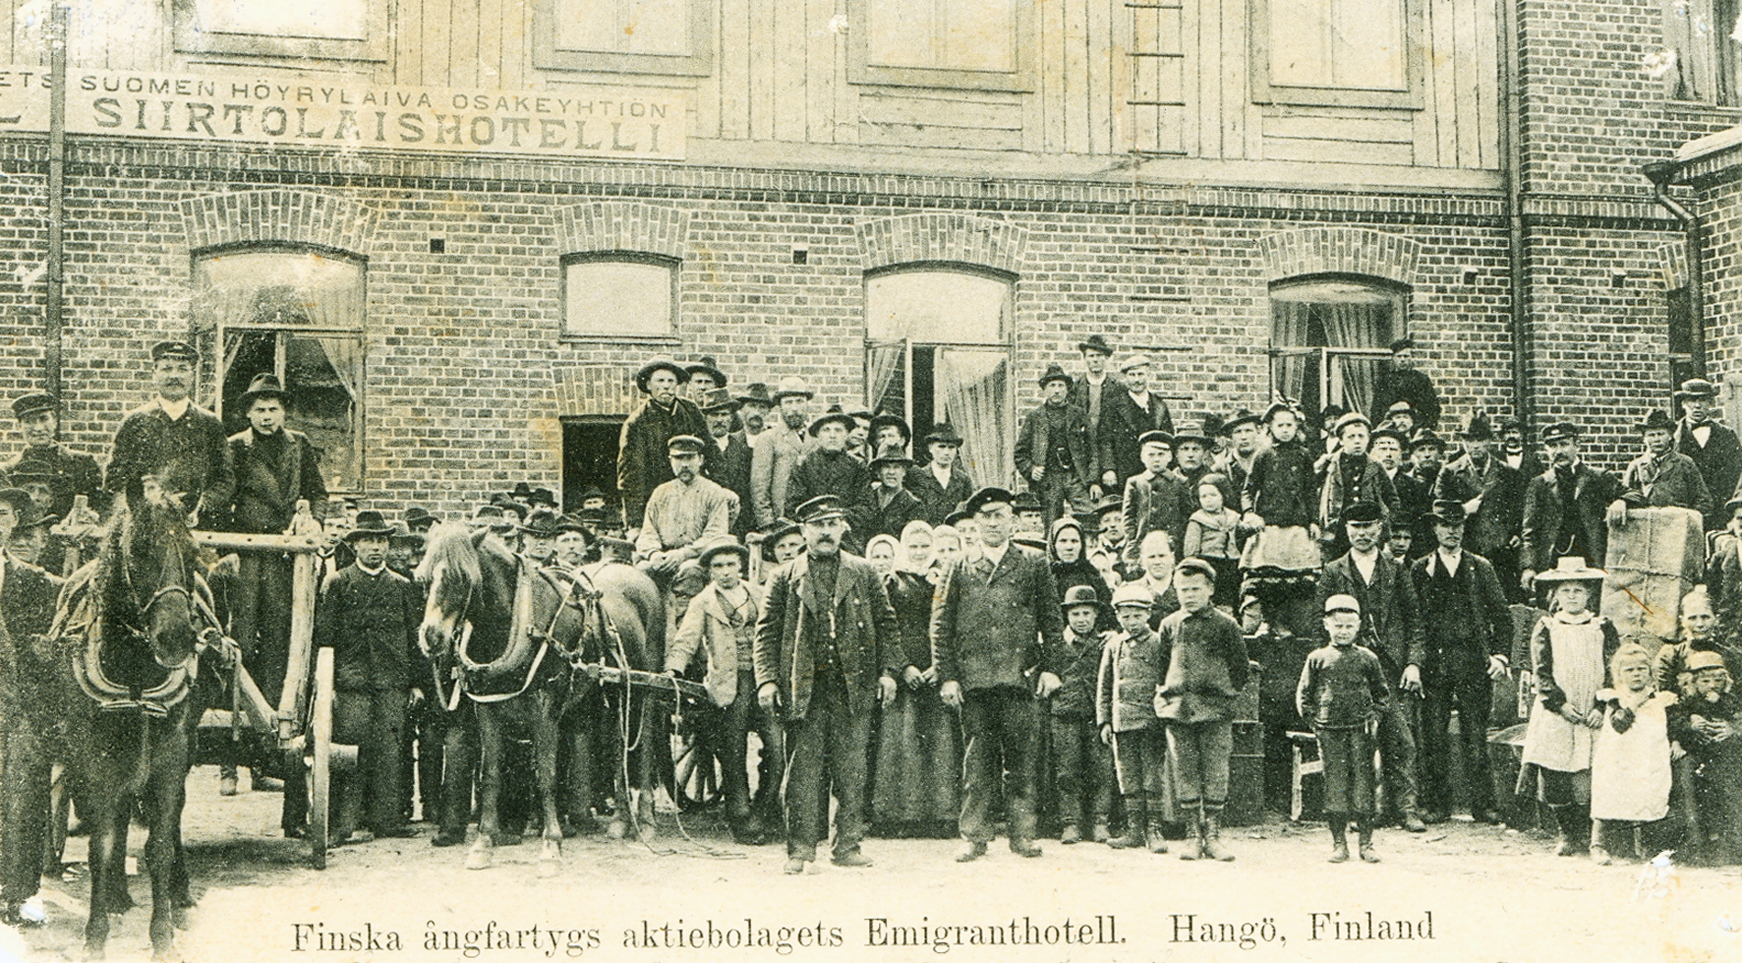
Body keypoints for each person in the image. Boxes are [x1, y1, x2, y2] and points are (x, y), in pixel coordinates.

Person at [754, 495, 899, 873]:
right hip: (804, 689)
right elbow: (766, 634)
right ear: (804, 531)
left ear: (842, 529)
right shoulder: (784, 576)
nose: (826, 532)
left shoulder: (863, 571)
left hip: (853, 686)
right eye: (818, 525)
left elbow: (887, 625)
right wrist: (767, 680)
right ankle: (800, 851)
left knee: (852, 770)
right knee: (802, 773)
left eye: (833, 524)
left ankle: (847, 846)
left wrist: (888, 672)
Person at [931, 486, 1065, 862]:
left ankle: (1023, 835)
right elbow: (940, 625)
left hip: (1019, 679)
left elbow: (1051, 622)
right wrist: (948, 676)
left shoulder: (1034, 563)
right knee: (977, 762)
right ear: (974, 522)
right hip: (974, 683)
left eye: (1000, 515)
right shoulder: (956, 565)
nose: (993, 522)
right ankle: (974, 836)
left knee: (1022, 762)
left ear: (1013, 520)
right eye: (986, 516)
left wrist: (1052, 669)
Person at [224, 372, 328, 804]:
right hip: (249, 556)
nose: (268, 417)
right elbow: (222, 498)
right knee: (242, 641)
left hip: (287, 560)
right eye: (260, 410)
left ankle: (269, 756)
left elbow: (318, 493)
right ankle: (231, 757)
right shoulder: (234, 447)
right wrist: (226, 545)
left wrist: (314, 518)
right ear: (248, 413)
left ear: (284, 412)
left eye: (274, 409)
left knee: (285, 644)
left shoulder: (299, 445)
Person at [1316, 502, 1427, 832]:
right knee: (1358, 742)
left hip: (1390, 668)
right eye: (1355, 528)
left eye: (1369, 528)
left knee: (1401, 738)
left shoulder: (1396, 568)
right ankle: (1363, 811)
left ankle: (1407, 808)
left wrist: (1413, 663)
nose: (1362, 534)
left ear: (1380, 529)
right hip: (1350, 669)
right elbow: (1316, 624)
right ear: (1347, 531)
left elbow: (1415, 621)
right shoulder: (1334, 570)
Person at [314, 510, 422, 844]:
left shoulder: (403, 586)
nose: (375, 547)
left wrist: (416, 683)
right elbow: (326, 638)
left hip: (392, 681)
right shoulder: (339, 583)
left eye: (381, 541)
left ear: (389, 546)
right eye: (368, 541)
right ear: (356, 546)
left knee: (390, 750)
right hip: (352, 682)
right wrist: (327, 685)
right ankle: (343, 824)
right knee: (349, 753)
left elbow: (414, 639)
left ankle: (386, 820)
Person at [666, 538, 781, 845]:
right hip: (729, 685)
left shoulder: (758, 593)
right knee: (733, 753)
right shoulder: (703, 602)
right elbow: (686, 640)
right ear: (710, 571)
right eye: (718, 566)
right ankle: (742, 820)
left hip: (764, 679)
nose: (725, 572)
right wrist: (674, 668)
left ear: (741, 565)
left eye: (730, 564)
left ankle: (765, 809)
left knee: (776, 749)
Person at [1410, 500, 1512, 823]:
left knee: (1475, 734)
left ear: (1464, 528)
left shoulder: (1480, 567)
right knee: (1433, 736)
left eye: (1457, 525)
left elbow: (1503, 618)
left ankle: (1484, 805)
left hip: (1472, 662)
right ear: (1434, 529)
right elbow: (1412, 619)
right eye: (1444, 525)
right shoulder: (1419, 569)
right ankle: (1437, 804)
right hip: (1435, 665)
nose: (1451, 531)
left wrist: (1500, 655)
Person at [1517, 557, 1619, 857]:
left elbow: (1613, 667)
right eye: (1566, 590)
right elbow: (1542, 671)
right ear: (1556, 595)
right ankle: (1566, 833)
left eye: (1578, 590)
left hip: (1592, 711)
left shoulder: (1602, 625)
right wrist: (1559, 705)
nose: (1572, 596)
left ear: (1589, 594)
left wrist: (1602, 705)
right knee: (1556, 771)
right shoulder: (1547, 626)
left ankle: (1592, 835)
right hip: (1558, 712)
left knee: (1589, 772)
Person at [869, 523, 961, 838]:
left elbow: (951, 624)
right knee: (901, 743)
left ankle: (942, 816)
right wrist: (903, 666)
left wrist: (940, 665)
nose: (920, 552)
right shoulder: (892, 581)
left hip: (935, 670)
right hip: (904, 671)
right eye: (915, 547)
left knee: (940, 743)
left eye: (925, 546)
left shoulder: (945, 578)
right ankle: (899, 817)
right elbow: (886, 628)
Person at [1155, 557, 1249, 861]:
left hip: (1215, 711)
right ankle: (1193, 836)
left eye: (1195, 588)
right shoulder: (1169, 625)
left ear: (1210, 589)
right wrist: (1168, 696)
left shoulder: (1226, 625)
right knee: (1185, 772)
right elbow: (1161, 668)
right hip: (1178, 711)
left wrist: (1223, 694)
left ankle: (1213, 836)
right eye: (1183, 589)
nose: (1189, 595)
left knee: (1215, 771)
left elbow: (1241, 669)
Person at [0, 488, 64, 927]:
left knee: (23, 798)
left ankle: (17, 894)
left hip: (21, 707)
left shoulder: (35, 582)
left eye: (1, 513)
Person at [1297, 594, 1393, 863]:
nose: (1343, 631)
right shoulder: (1317, 658)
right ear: (1326, 625)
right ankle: (1339, 843)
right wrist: (1314, 721)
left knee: (1363, 785)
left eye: (1349, 626)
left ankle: (1367, 843)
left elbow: (1382, 694)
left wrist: (1375, 717)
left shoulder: (1368, 658)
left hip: (1361, 731)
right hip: (1330, 731)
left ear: (1359, 625)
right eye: (1338, 625)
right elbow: (1304, 695)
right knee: (1335, 786)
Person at [106, 339, 233, 526]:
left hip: (194, 525)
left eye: (182, 369)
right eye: (167, 369)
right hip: (144, 526)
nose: (175, 376)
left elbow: (225, 478)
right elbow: (114, 479)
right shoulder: (134, 422)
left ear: (193, 375)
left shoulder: (209, 423)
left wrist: (202, 505)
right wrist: (131, 512)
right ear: (154, 373)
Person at [1097, 583, 1171, 853]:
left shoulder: (1159, 643)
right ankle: (1134, 829)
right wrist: (1104, 721)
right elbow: (1104, 685)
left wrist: (1164, 714)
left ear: (1148, 614)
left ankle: (1154, 829)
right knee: (1127, 776)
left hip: (1151, 721)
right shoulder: (1114, 645)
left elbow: (1166, 681)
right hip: (1121, 721)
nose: (1132, 621)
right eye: (1126, 616)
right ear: (1117, 617)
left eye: (1137, 615)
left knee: (1151, 775)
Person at [1589, 642, 1676, 865]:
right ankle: (1598, 845)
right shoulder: (1614, 698)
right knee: (1610, 792)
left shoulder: (1660, 698)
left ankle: (1648, 846)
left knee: (1649, 792)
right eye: (1629, 670)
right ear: (1619, 674)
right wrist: (1635, 704)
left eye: (1641, 669)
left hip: (1648, 757)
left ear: (1650, 671)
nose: (1636, 674)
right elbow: (1619, 724)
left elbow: (1673, 724)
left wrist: (1676, 741)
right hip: (1618, 757)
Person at [1435, 411, 1530, 600]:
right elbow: (1439, 509)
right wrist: (1463, 509)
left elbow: (1522, 509)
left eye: (1480, 439)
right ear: (1463, 442)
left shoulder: (1508, 473)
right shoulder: (1450, 472)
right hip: (1466, 551)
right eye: (1469, 440)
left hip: (1501, 554)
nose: (1475, 445)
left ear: (1489, 441)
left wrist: (1516, 533)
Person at [1521, 422, 1622, 591]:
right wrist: (1528, 566)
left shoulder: (1598, 477)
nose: (1558, 451)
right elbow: (1529, 531)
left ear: (1577, 445)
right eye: (1552, 445)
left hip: (1592, 563)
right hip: (1552, 564)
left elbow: (1635, 495)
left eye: (1564, 444)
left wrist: (1621, 501)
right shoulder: (1539, 484)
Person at [1053, 584, 1115, 844]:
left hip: (1096, 717)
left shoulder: (1105, 644)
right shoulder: (1055, 644)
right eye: (1076, 614)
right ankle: (1071, 823)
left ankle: (1100, 822)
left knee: (1102, 770)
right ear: (1067, 616)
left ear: (1096, 616)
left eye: (1087, 614)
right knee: (1067, 771)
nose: (1081, 620)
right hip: (1064, 714)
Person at [617, 356, 709, 533]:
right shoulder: (637, 422)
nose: (666, 386)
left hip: (691, 496)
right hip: (657, 501)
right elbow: (631, 476)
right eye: (660, 381)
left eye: (671, 381)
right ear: (649, 386)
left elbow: (711, 451)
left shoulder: (690, 411)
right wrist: (634, 523)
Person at [1668, 650, 1742, 864]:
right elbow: (1674, 722)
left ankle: (1731, 847)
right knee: (1688, 788)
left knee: (1729, 790)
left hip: (1725, 754)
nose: (1712, 685)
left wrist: (1733, 729)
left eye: (1718, 680)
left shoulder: (1731, 699)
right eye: (1705, 681)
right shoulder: (1685, 700)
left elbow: (1737, 718)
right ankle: (1695, 845)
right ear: (1693, 682)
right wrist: (1690, 725)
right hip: (1694, 752)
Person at [635, 435, 735, 583]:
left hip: (697, 558)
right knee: (642, 571)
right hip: (664, 555)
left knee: (689, 571)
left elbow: (715, 535)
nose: (684, 464)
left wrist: (683, 554)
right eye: (678, 458)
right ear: (670, 461)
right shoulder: (660, 493)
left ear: (700, 460)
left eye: (689, 458)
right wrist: (653, 554)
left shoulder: (714, 492)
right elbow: (648, 531)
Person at [1240, 402, 1319, 587]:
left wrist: (1314, 521)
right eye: (1280, 426)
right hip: (1270, 526)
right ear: (1271, 428)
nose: (1285, 430)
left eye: (1289, 425)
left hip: (1297, 525)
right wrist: (1249, 513)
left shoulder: (1304, 456)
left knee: (1300, 581)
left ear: (1296, 427)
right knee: (1266, 580)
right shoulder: (1263, 455)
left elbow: (1310, 492)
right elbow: (1248, 489)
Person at [1015, 364, 1094, 528]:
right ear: (1044, 389)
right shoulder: (1035, 417)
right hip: (1049, 479)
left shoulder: (1078, 414)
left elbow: (1093, 450)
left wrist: (1093, 480)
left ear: (1067, 389)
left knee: (1089, 516)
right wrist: (1031, 469)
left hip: (1075, 476)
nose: (1056, 390)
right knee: (1051, 524)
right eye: (1052, 385)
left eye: (1060, 385)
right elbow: (1020, 453)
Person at [3, 392, 104, 518]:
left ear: (55, 421)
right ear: (19, 426)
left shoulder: (82, 463)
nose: (38, 428)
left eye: (43, 419)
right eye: (29, 421)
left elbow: (103, 510)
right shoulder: (9, 470)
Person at [1610, 408, 1712, 525]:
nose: (1657, 439)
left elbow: (1704, 500)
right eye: (1651, 435)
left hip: (1678, 527)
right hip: (1646, 527)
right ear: (1644, 439)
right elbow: (1626, 496)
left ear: (1670, 436)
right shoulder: (1636, 466)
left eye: (1661, 434)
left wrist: (1688, 519)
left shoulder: (1685, 463)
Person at [1317, 412, 1397, 560]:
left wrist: (1384, 525)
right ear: (1341, 440)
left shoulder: (1376, 466)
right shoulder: (1330, 464)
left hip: (1368, 530)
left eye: (1362, 436)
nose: (1357, 441)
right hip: (1337, 531)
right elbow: (1312, 493)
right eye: (1351, 437)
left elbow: (1392, 499)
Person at [783, 406, 871, 533]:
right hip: (812, 530)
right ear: (818, 435)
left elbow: (866, 506)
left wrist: (842, 520)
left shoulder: (857, 467)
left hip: (846, 530)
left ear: (846, 434)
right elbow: (793, 505)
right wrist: (815, 521)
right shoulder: (804, 465)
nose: (832, 436)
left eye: (838, 430)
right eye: (826, 430)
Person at [1098, 355, 1175, 494]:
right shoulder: (1113, 405)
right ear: (1126, 378)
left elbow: (1168, 438)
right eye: (1132, 375)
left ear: (1148, 375)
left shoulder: (1159, 405)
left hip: (1154, 469)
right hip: (1124, 470)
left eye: (1140, 374)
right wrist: (1108, 469)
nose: (1137, 380)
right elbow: (1105, 440)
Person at [1673, 378, 1742, 531]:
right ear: (1683, 403)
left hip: (1720, 514)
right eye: (1692, 400)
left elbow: (1738, 475)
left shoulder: (1727, 435)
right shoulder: (1673, 437)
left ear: (1710, 403)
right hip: (1685, 514)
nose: (1697, 405)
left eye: (1703, 400)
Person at [750, 376, 814, 531]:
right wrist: (767, 524)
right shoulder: (768, 438)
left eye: (799, 401)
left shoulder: (816, 437)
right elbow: (759, 487)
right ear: (780, 406)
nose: (794, 408)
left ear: (807, 404)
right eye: (788, 402)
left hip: (811, 519)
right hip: (781, 521)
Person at [1121, 430, 1187, 578]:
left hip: (1171, 542)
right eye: (1151, 455)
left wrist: (1177, 537)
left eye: (1161, 455)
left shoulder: (1180, 482)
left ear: (1170, 457)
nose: (1156, 459)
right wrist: (1132, 539)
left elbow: (1186, 514)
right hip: (1142, 540)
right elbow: (1128, 515)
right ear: (1142, 457)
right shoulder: (1135, 482)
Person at [1654, 587, 1739, 692]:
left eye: (1705, 617)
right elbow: (1665, 696)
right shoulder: (1671, 656)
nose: (1700, 624)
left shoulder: (1731, 656)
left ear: (1716, 619)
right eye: (1692, 618)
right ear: (1682, 620)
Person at [1068, 334, 1122, 499]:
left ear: (1106, 358)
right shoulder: (1075, 388)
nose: (1095, 360)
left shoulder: (1118, 388)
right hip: (1084, 450)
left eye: (1099, 356)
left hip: (1111, 449)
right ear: (1085, 359)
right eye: (1091, 356)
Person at [699, 387, 755, 537]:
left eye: (724, 415)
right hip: (703, 525)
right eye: (714, 415)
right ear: (706, 418)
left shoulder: (744, 452)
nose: (719, 420)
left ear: (731, 418)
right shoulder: (697, 451)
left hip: (736, 526)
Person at [1185, 475, 1243, 611]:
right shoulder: (1198, 520)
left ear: (1223, 495)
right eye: (1203, 496)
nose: (1208, 500)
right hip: (1208, 562)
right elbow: (1191, 548)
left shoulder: (1233, 517)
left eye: (1213, 495)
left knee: (1230, 592)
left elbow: (1241, 535)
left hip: (1231, 562)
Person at [907, 423, 974, 528]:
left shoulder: (963, 479)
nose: (946, 452)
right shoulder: (918, 477)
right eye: (941, 447)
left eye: (951, 448)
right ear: (930, 448)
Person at [1049, 516, 1111, 625]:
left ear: (1082, 545)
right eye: (1063, 541)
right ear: (1053, 545)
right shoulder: (1043, 576)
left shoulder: (1092, 575)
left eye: (1074, 541)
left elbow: (1107, 615)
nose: (1069, 547)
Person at [855, 442, 922, 542]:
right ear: (877, 472)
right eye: (886, 467)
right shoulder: (867, 498)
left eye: (896, 467)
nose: (891, 472)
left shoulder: (913, 505)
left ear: (904, 472)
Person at [1372, 337, 1441, 430]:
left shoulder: (1421, 380)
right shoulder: (1384, 381)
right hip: (1391, 428)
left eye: (1406, 356)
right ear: (1393, 358)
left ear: (1411, 358)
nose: (1402, 360)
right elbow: (1377, 409)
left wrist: (1422, 427)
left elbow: (1432, 408)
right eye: (1399, 356)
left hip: (1415, 428)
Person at [1216, 408, 1263, 498]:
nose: (1243, 437)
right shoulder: (1222, 468)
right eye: (1238, 432)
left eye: (1248, 431)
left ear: (1258, 432)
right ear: (1230, 436)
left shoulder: (1269, 461)